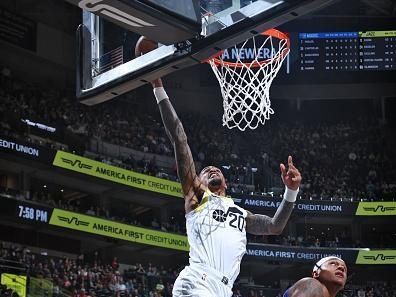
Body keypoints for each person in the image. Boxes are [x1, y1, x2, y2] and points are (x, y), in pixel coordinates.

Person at [150, 76, 301, 297]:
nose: (212, 170)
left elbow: (274, 227)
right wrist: (158, 87)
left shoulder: (242, 214)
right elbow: (179, 138)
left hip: (223, 289)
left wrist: (291, 190)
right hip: (198, 281)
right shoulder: (198, 197)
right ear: (198, 181)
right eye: (205, 171)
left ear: (226, 182)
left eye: (217, 169)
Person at [283, 256, 347, 297]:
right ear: (316, 273)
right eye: (333, 263)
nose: (341, 267)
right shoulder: (311, 283)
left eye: (344, 268)